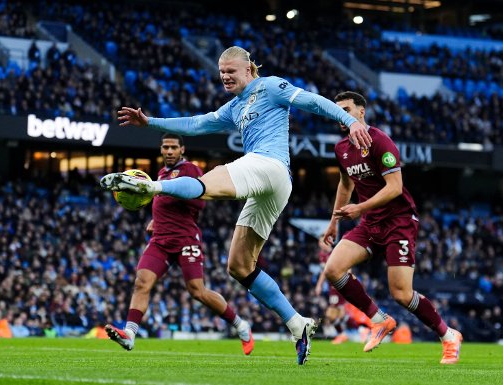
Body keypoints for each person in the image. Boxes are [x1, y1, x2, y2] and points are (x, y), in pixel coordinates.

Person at [101, 46, 371, 365]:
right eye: (222, 73)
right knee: (239, 266)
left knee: (210, 179)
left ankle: (152, 186)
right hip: (271, 186)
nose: (226, 77)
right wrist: (151, 123)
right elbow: (197, 123)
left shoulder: (270, 86)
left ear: (248, 70)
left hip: (268, 165)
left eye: (231, 71)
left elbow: (311, 100)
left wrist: (347, 121)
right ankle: (298, 325)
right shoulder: (235, 106)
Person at [320, 91, 463, 364]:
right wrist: (333, 222)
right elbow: (345, 185)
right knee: (333, 269)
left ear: (361, 112)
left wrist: (359, 208)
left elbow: (395, 187)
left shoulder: (380, 141)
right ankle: (378, 320)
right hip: (370, 223)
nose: (341, 115)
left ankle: (448, 335)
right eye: (336, 111)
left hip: (398, 222)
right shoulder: (342, 149)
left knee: (401, 293)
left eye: (346, 109)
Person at [105, 133, 254, 355]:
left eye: (174, 147)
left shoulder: (190, 170)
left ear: (182, 150)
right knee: (141, 283)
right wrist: (156, 218)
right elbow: (164, 201)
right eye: (165, 147)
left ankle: (240, 325)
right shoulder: (160, 174)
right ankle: (129, 334)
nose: (169, 151)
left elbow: (200, 202)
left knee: (197, 291)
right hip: (160, 240)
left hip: (185, 238)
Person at [314, 242, 350, 344]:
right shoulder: (322, 255)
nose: (320, 244)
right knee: (340, 312)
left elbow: (347, 265)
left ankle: (344, 334)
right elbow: (324, 272)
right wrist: (319, 285)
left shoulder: (335, 254)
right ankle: (347, 332)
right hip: (332, 287)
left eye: (322, 241)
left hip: (337, 285)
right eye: (320, 242)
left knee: (331, 314)